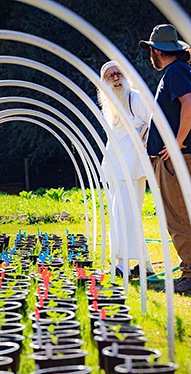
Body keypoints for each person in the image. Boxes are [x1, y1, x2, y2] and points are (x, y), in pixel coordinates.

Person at [139, 24, 191, 294]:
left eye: (150, 50)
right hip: (177, 158)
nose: (150, 55)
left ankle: (190, 274)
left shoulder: (176, 71)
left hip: (179, 159)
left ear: (157, 51)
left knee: (179, 217)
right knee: (181, 215)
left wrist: (177, 141)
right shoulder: (178, 71)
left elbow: (189, 102)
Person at [98, 61, 154, 278]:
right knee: (120, 214)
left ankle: (121, 265)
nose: (115, 79)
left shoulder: (136, 98)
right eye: (109, 76)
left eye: (118, 74)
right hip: (115, 168)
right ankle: (144, 265)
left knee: (125, 215)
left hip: (132, 167)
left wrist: (144, 138)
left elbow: (155, 124)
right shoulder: (108, 104)